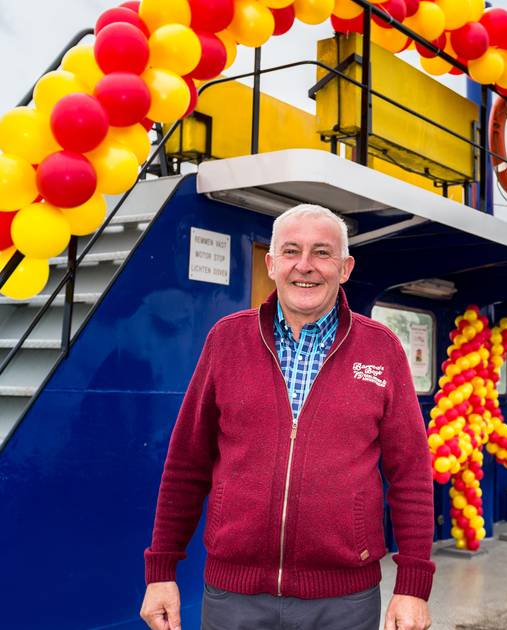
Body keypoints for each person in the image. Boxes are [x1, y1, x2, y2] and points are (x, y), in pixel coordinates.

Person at [140, 204, 435, 630]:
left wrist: (412, 586)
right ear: (272, 263)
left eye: (322, 253)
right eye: (292, 251)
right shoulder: (227, 340)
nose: (306, 267)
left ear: (345, 267)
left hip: (345, 602)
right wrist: (162, 572)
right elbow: (187, 463)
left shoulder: (381, 349)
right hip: (234, 597)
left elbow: (410, 474)